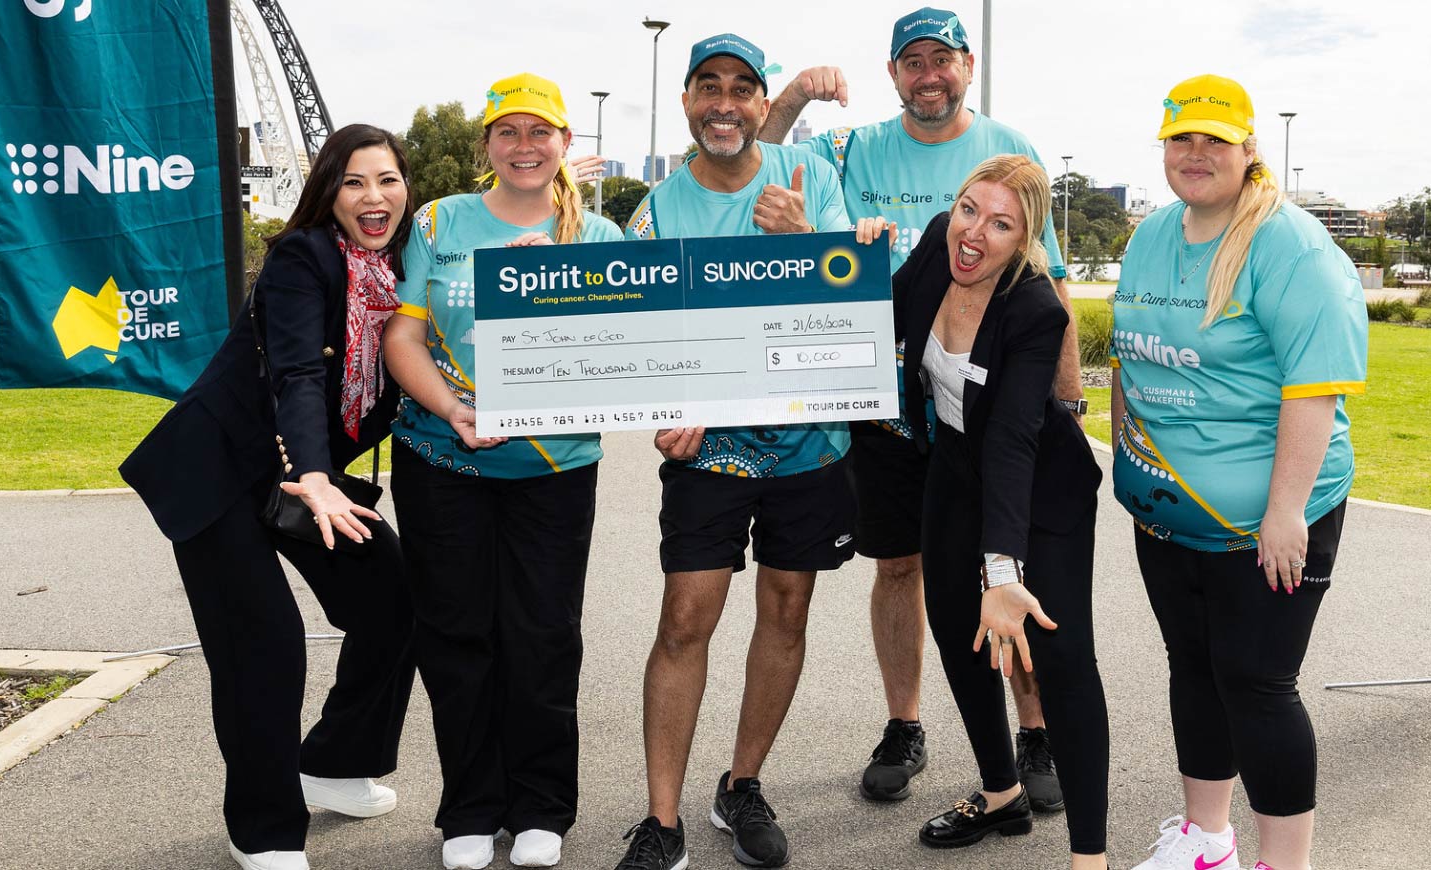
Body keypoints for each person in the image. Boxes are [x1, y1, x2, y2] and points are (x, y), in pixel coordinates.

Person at [755, 6, 1081, 808]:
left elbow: (1055, 287)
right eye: (912, 61)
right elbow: (762, 159)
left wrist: (1067, 406)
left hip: (991, 400)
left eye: (943, 59)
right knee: (898, 565)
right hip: (893, 400)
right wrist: (795, 92)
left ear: (968, 65)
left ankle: (1035, 731)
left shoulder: (1010, 152)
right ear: (893, 71)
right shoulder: (848, 147)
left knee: (1007, 567)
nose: (928, 74)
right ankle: (906, 724)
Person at [119, 124, 419, 870]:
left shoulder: (408, 272)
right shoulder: (301, 259)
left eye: (386, 179)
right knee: (265, 646)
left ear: (406, 189)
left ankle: (335, 765)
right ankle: (263, 829)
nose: (372, 197)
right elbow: (298, 374)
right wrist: (314, 475)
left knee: (399, 602)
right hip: (222, 474)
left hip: (300, 478)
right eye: (353, 182)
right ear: (329, 192)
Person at [610, 33, 855, 870]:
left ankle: (741, 783)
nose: (725, 103)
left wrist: (801, 239)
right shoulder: (656, 209)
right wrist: (664, 407)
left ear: (761, 103)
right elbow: (638, 335)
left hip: (811, 447)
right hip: (709, 454)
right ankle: (663, 818)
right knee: (686, 619)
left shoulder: (809, 179)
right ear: (685, 101)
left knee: (787, 613)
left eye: (743, 89)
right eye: (708, 87)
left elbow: (850, 306)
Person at [1110, 75, 1367, 870]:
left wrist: (1285, 511)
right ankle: (1205, 839)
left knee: (1257, 684)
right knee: (1193, 669)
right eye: (1182, 138)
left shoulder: (1289, 244)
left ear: (1248, 150)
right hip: (1168, 513)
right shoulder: (1153, 234)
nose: (1196, 154)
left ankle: (1283, 863)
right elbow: (1131, 355)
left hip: (1267, 520)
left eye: (1214, 140)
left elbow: (1314, 384)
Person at [382, 72, 624, 870]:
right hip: (439, 456)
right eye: (508, 132)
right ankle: (470, 813)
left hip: (555, 468)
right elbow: (403, 338)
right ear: (487, 144)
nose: (525, 147)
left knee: (544, 637)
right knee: (455, 635)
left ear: (565, 144)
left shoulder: (598, 237)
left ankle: (543, 806)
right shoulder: (440, 221)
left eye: (540, 132)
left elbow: (634, 351)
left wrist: (555, 292)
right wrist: (453, 409)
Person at [877, 154, 1108, 867]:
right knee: (958, 630)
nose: (974, 232)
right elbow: (866, 321)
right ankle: (1001, 792)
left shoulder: (1036, 308)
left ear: (1026, 237)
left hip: (1041, 488)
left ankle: (1089, 857)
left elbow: (1012, 437)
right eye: (970, 209)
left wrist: (1001, 569)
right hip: (952, 467)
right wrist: (837, 253)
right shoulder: (937, 243)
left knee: (1062, 657)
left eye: (1001, 223)